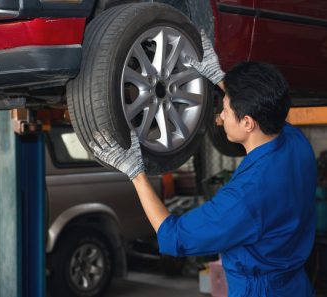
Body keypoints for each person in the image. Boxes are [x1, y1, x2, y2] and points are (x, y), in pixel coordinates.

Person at [89, 30, 317, 296]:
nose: (220, 116)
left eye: (227, 110)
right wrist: (220, 78)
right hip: (295, 285)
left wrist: (134, 172)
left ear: (247, 123)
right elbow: (261, 109)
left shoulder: (245, 198)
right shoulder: (296, 142)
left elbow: (175, 238)